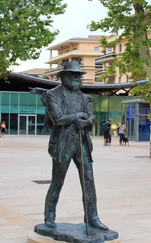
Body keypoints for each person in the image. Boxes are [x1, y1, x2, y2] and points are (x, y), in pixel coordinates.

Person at [43, 61, 108, 230]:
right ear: (63, 76)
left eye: (79, 75)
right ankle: (49, 216)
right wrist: (78, 116)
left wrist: (86, 122)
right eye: (74, 75)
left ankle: (92, 217)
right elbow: (57, 118)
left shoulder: (83, 96)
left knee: (89, 180)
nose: (78, 78)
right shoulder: (52, 94)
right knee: (57, 181)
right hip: (63, 143)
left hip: (82, 142)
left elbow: (91, 117)